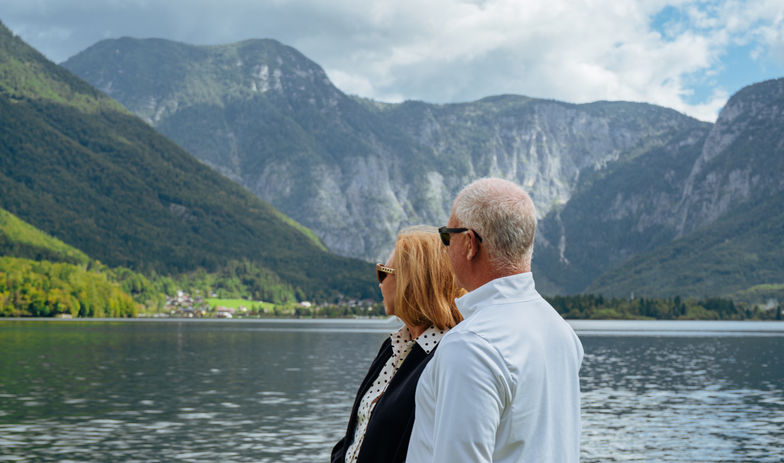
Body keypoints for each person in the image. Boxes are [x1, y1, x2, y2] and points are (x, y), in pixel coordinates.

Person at [406, 178, 584, 463]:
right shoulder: (560, 331)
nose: (445, 247)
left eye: (447, 236)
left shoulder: (470, 345)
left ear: (470, 244)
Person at [331, 226, 465, 463]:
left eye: (383, 273)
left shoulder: (446, 356)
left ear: (413, 281)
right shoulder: (393, 346)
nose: (379, 284)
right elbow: (358, 432)